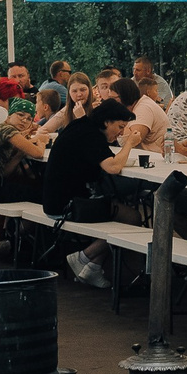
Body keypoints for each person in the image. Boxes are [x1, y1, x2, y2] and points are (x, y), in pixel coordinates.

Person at [50, 100, 136, 287]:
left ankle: (93, 267)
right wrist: (130, 143)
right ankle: (84, 257)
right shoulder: (91, 135)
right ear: (107, 122)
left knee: (116, 205)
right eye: (120, 127)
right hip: (68, 206)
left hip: (54, 199)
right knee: (132, 217)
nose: (121, 132)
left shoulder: (81, 127)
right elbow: (113, 167)